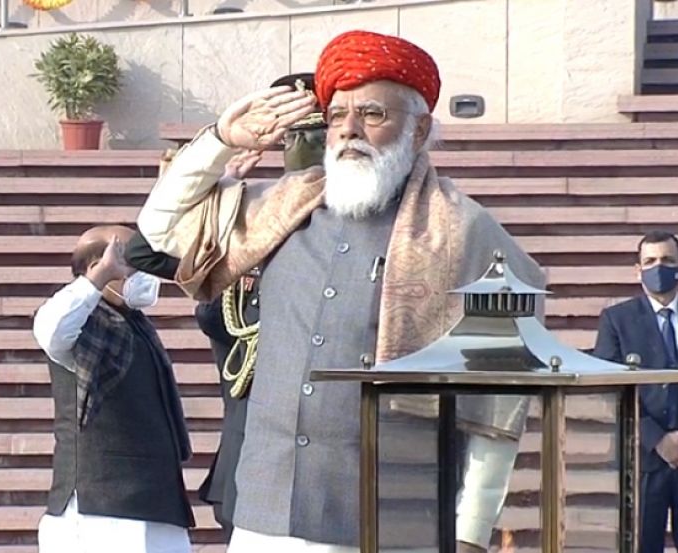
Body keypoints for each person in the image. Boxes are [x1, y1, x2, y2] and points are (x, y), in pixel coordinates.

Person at [137, 30, 545, 552]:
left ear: (419, 129)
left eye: (373, 115)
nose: (349, 130)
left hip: (386, 520)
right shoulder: (279, 210)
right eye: (337, 116)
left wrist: (469, 532)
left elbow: (496, 405)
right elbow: (158, 233)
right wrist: (220, 139)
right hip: (264, 514)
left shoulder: (468, 235)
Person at [125, 72, 328, 540]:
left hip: (335, 469)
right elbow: (147, 249)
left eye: (319, 133)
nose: (310, 147)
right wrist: (216, 164)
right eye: (298, 135)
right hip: (253, 458)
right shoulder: (258, 223)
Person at [33, 225, 194, 553]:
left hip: (158, 501)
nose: (145, 275)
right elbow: (50, 328)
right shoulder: (82, 325)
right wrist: (100, 277)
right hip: (102, 506)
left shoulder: (136, 324)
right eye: (135, 263)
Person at [593, 230, 678, 553]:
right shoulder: (617, 320)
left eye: (667, 260)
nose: (658, 267)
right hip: (641, 460)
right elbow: (607, 389)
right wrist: (656, 439)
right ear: (637, 270)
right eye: (650, 261)